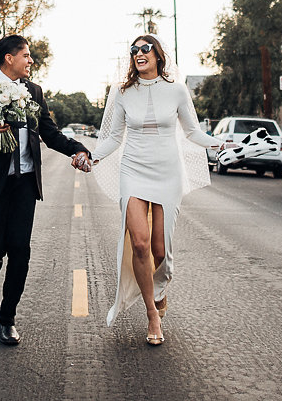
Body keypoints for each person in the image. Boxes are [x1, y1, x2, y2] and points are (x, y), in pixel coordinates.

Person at [0, 35, 92, 346]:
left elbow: (49, 131)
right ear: (9, 58)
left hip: (24, 183)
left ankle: (8, 319)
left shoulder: (33, 91)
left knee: (20, 250)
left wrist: (77, 149)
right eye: (26, 56)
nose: (31, 61)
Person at [88, 34, 220, 346]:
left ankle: (159, 288)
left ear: (158, 55)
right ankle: (151, 313)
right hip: (133, 171)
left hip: (168, 173)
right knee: (139, 244)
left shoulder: (176, 90)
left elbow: (192, 132)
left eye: (145, 48)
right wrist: (90, 156)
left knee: (160, 250)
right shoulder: (121, 92)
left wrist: (219, 143)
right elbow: (112, 137)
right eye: (134, 50)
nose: (138, 53)